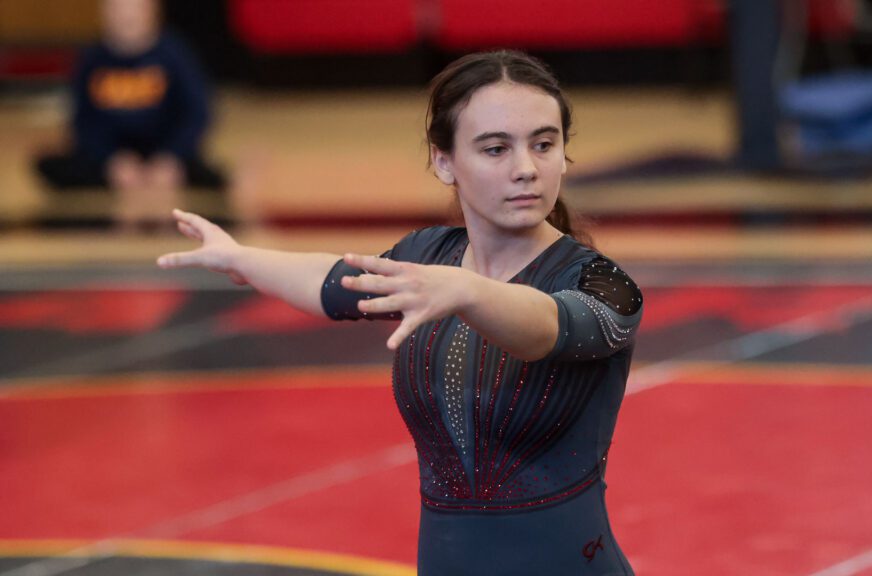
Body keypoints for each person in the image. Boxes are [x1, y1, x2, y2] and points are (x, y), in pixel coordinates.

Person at [157, 50, 642, 576]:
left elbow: (547, 326)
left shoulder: (603, 284)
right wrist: (240, 258)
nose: (526, 168)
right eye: (496, 148)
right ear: (443, 161)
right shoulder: (428, 257)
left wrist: (466, 290)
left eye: (544, 144)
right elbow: (333, 282)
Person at [35, 0, 226, 228]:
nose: (127, 18)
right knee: (52, 165)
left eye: (135, 10)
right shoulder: (92, 59)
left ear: (153, 12)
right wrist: (111, 161)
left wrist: (172, 157)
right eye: (118, 10)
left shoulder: (175, 54)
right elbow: (82, 122)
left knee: (214, 178)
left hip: (165, 152)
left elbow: (197, 114)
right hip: (110, 158)